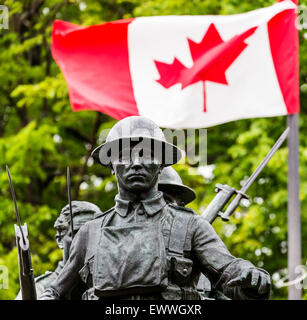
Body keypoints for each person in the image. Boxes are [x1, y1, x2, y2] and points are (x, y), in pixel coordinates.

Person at [41, 116, 271, 300]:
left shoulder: (190, 226)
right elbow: (55, 291)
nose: (137, 162)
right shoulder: (90, 233)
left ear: (161, 164)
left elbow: (229, 272)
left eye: (147, 154)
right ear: (112, 165)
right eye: (125, 155)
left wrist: (249, 275)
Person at [15, 201, 102, 299]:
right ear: (60, 239)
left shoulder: (108, 284)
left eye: (94, 235)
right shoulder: (40, 288)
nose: (86, 241)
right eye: (77, 234)